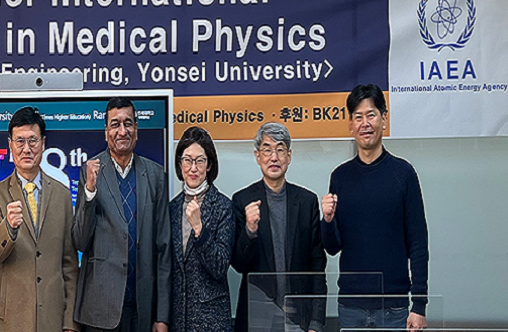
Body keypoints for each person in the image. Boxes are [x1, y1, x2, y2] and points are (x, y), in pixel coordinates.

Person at [322, 84, 429, 331]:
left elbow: (418, 243)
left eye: (371, 115)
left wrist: (419, 304)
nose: (365, 123)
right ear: (350, 125)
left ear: (384, 119)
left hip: (394, 308)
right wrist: (327, 221)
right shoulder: (340, 177)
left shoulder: (403, 174)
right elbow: (332, 247)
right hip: (350, 307)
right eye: (358, 117)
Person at [73, 97, 171, 332]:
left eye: (128, 123)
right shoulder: (90, 171)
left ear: (136, 129)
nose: (122, 131)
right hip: (100, 309)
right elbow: (80, 241)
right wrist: (90, 192)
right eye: (115, 124)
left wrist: (162, 316)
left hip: (142, 309)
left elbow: (164, 249)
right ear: (106, 131)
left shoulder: (156, 175)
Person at [0, 106, 79, 332]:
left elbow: (69, 265)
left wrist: (70, 323)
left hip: (53, 320)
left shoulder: (62, 195)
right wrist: (9, 227)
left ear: (43, 144)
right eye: (20, 141)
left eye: (33, 141)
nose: (26, 149)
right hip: (12, 321)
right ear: (10, 144)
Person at [231, 122, 327, 332]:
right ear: (258, 156)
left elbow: (317, 266)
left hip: (298, 319)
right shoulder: (242, 201)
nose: (274, 157)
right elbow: (238, 264)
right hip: (257, 319)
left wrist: (316, 322)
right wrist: (249, 231)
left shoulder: (307, 202)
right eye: (267, 150)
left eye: (280, 150)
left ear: (289, 156)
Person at [169, 126, 234, 332]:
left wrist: (199, 229)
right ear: (180, 164)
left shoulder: (223, 207)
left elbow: (220, 267)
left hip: (211, 321)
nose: (193, 168)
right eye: (187, 160)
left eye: (200, 160)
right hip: (178, 319)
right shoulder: (171, 208)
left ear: (209, 165)